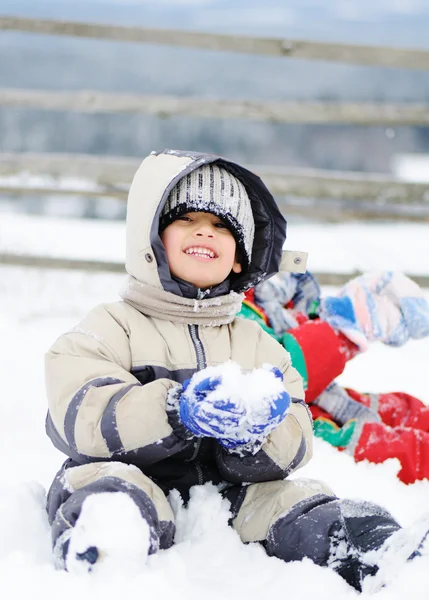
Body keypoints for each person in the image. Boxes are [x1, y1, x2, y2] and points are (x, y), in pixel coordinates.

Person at [44, 149, 429, 591]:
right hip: (130, 478)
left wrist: (260, 433)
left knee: (304, 501)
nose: (206, 230)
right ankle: (104, 553)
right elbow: (80, 411)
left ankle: (383, 552)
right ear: (150, 241)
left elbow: (297, 432)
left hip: (233, 495)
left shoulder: (257, 343)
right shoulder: (111, 326)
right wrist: (176, 409)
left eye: (223, 226)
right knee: (109, 494)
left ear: (240, 258)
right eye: (187, 218)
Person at [240, 270, 429, 484]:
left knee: (401, 409)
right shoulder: (226, 305)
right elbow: (277, 381)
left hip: (312, 402)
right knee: (391, 448)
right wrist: (341, 329)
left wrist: (330, 312)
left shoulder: (272, 288)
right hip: (280, 435)